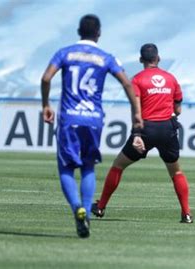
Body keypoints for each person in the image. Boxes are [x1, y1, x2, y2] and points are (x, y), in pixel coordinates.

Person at [41, 15, 142, 238]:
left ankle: (77, 206)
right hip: (93, 118)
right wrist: (135, 112)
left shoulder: (65, 52)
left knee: (66, 168)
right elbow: (126, 82)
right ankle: (86, 213)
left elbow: (47, 78)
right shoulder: (106, 57)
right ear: (99, 33)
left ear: (79, 31)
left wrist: (46, 104)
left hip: (69, 118)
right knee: (88, 167)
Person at [91, 43, 193, 223]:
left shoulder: (137, 80)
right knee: (176, 172)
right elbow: (178, 110)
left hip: (146, 129)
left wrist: (136, 133)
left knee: (118, 165)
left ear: (140, 60)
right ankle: (186, 214)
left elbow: (136, 108)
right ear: (158, 58)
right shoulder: (171, 78)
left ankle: (100, 207)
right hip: (167, 128)